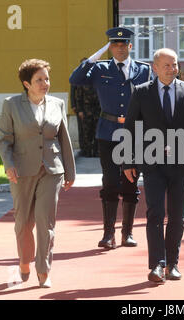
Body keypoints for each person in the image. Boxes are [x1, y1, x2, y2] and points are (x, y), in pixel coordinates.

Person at [123, 48, 184, 283]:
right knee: (155, 213)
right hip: (152, 163)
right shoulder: (141, 93)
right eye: (167, 65)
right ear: (155, 68)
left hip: (181, 164)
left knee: (177, 216)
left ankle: (173, 263)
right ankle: (157, 265)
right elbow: (131, 128)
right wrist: (128, 161)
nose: (172, 69)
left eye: (175, 65)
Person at [69, 27, 153, 249]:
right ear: (110, 47)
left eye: (123, 44)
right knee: (110, 181)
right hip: (108, 132)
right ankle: (108, 234)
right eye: (115, 44)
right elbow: (75, 78)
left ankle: (127, 233)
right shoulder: (100, 68)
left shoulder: (143, 70)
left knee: (131, 181)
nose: (120, 48)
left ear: (130, 47)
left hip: (135, 133)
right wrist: (95, 55)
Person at [0, 58, 76, 288]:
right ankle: (24, 260)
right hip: (21, 171)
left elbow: (64, 139)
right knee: (23, 224)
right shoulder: (11, 105)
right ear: (26, 83)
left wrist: (70, 170)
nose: (45, 83)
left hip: (52, 170)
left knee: (46, 222)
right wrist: (8, 164)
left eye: (47, 79)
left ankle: (43, 270)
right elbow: (4, 139)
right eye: (39, 80)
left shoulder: (57, 104)